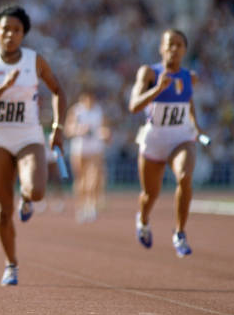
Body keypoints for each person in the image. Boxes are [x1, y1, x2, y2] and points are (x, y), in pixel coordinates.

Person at [0, 4, 66, 286]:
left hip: (28, 135)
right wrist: (3, 87)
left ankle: (27, 199)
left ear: (24, 34)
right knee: (3, 209)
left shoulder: (35, 61)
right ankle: (11, 264)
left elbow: (59, 90)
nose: (10, 35)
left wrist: (58, 127)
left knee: (36, 192)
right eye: (5, 30)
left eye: (17, 30)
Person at [128, 29, 204, 258]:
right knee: (150, 194)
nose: (174, 49)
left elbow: (188, 102)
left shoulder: (190, 77)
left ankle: (179, 232)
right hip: (154, 140)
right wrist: (157, 89)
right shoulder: (149, 72)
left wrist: (195, 125)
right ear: (161, 47)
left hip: (181, 137)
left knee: (184, 176)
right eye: (170, 44)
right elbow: (134, 106)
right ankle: (142, 219)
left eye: (180, 45)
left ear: (185, 50)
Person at [65, 91, 110, 223]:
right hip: (79, 150)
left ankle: (91, 205)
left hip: (95, 149)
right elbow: (68, 129)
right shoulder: (76, 111)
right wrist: (79, 129)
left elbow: (105, 128)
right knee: (81, 180)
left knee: (94, 179)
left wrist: (105, 133)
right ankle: (81, 206)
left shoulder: (99, 111)